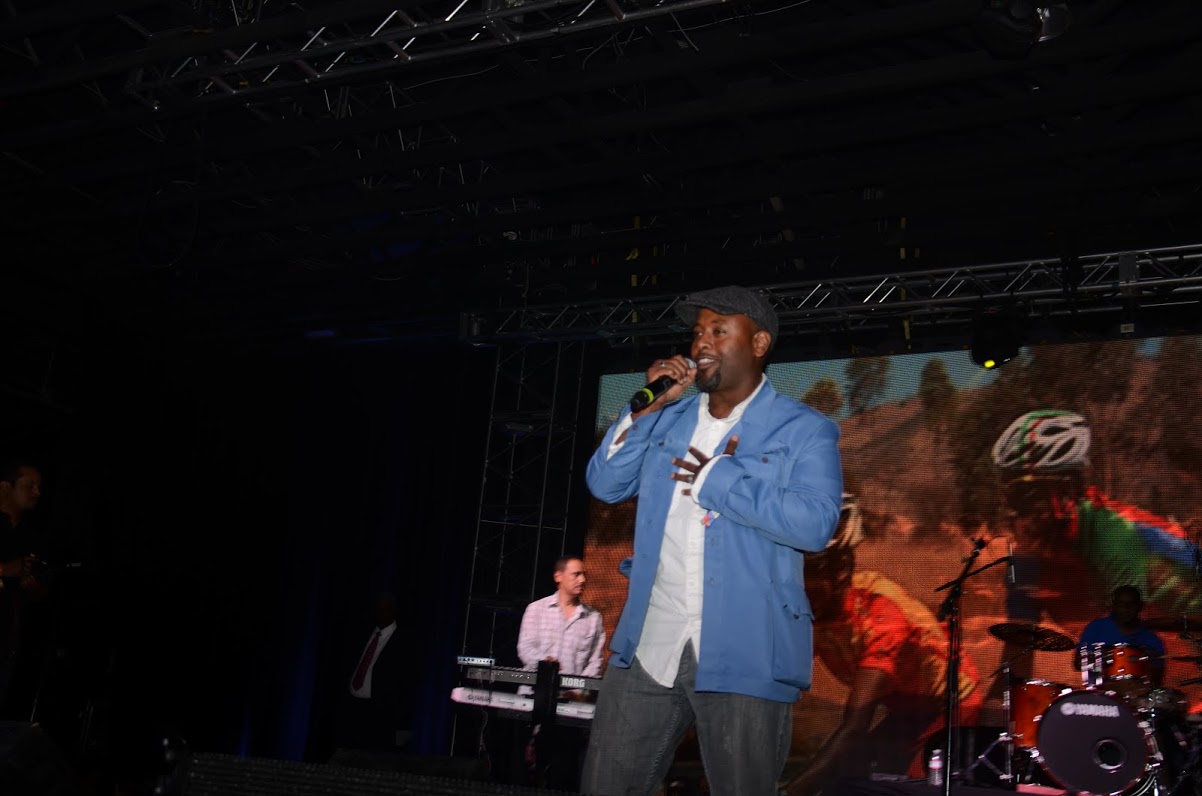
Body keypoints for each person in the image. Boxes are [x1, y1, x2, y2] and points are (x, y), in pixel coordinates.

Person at [580, 285, 843, 796]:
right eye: (698, 331)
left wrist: (718, 480)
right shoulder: (667, 419)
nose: (701, 343)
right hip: (651, 642)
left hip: (747, 647)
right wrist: (645, 412)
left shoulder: (804, 429)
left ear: (758, 343)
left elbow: (815, 525)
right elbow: (605, 484)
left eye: (719, 331)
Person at [785, 494, 984, 793]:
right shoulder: (818, 605)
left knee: (917, 787)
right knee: (850, 779)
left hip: (950, 705)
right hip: (904, 706)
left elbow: (855, 727)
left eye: (808, 576)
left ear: (841, 572)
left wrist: (789, 792)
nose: (797, 588)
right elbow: (783, 683)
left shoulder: (881, 615)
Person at [516, 555, 606, 790]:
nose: (582, 579)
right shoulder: (536, 609)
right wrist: (544, 664)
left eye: (584, 575)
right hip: (533, 699)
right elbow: (525, 648)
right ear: (559, 576)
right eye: (576, 574)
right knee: (525, 773)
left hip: (570, 705)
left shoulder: (593, 619)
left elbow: (594, 663)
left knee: (562, 772)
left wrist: (578, 692)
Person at [0, 459, 49, 718]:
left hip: (8, 643)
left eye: (39, 487)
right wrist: (5, 569)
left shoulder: (33, 537)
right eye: (30, 486)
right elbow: (7, 570)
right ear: (5, 487)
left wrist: (32, 586)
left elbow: (42, 594)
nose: (37, 493)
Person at [337, 592, 410, 751]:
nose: (379, 614)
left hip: (379, 713)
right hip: (351, 706)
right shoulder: (363, 631)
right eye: (377, 609)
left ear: (393, 611)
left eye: (384, 610)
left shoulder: (404, 642)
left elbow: (404, 685)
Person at [1076, 584, 1165, 689]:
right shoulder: (1096, 628)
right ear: (1113, 606)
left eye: (1131, 604)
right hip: (1098, 693)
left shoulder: (1152, 639)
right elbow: (1078, 664)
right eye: (1120, 604)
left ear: (1140, 606)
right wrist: (1101, 660)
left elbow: (1156, 681)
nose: (1125, 609)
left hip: (1136, 695)